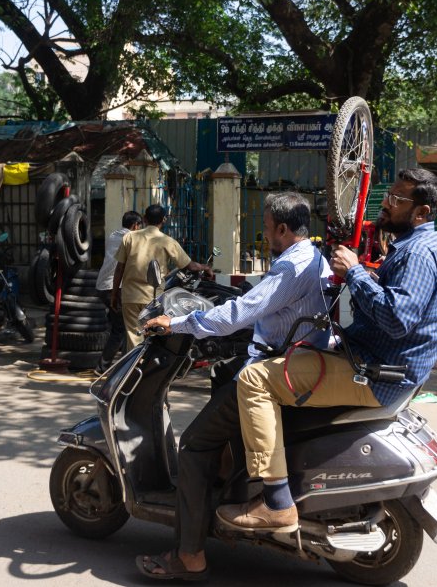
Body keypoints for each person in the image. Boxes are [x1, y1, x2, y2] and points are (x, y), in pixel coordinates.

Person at [216, 168, 437, 533]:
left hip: (377, 373)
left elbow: (397, 319)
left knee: (254, 380)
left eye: (396, 199)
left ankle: (276, 503)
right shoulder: (426, 247)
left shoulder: (418, 253)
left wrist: (357, 274)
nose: (387, 204)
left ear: (421, 213)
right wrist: (370, 278)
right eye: (389, 195)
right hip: (381, 362)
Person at [135, 192, 332, 581]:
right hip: (298, 355)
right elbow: (262, 302)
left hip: (276, 366)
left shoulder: (291, 267)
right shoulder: (313, 256)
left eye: (266, 227)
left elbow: (242, 313)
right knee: (224, 381)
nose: (264, 234)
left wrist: (176, 323)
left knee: (193, 444)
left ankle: (189, 555)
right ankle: (227, 491)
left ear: (280, 228)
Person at [112, 204, 212, 349]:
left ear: (144, 219)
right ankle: (147, 368)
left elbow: (119, 268)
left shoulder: (129, 237)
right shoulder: (167, 241)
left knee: (134, 338)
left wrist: (114, 293)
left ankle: (133, 368)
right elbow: (190, 266)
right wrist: (206, 267)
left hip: (130, 296)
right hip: (153, 298)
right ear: (164, 220)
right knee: (153, 337)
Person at [93, 210, 142, 374]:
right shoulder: (131, 238)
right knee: (121, 329)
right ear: (135, 225)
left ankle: (115, 366)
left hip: (103, 286)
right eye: (139, 226)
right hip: (113, 288)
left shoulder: (114, 235)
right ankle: (105, 368)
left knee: (120, 327)